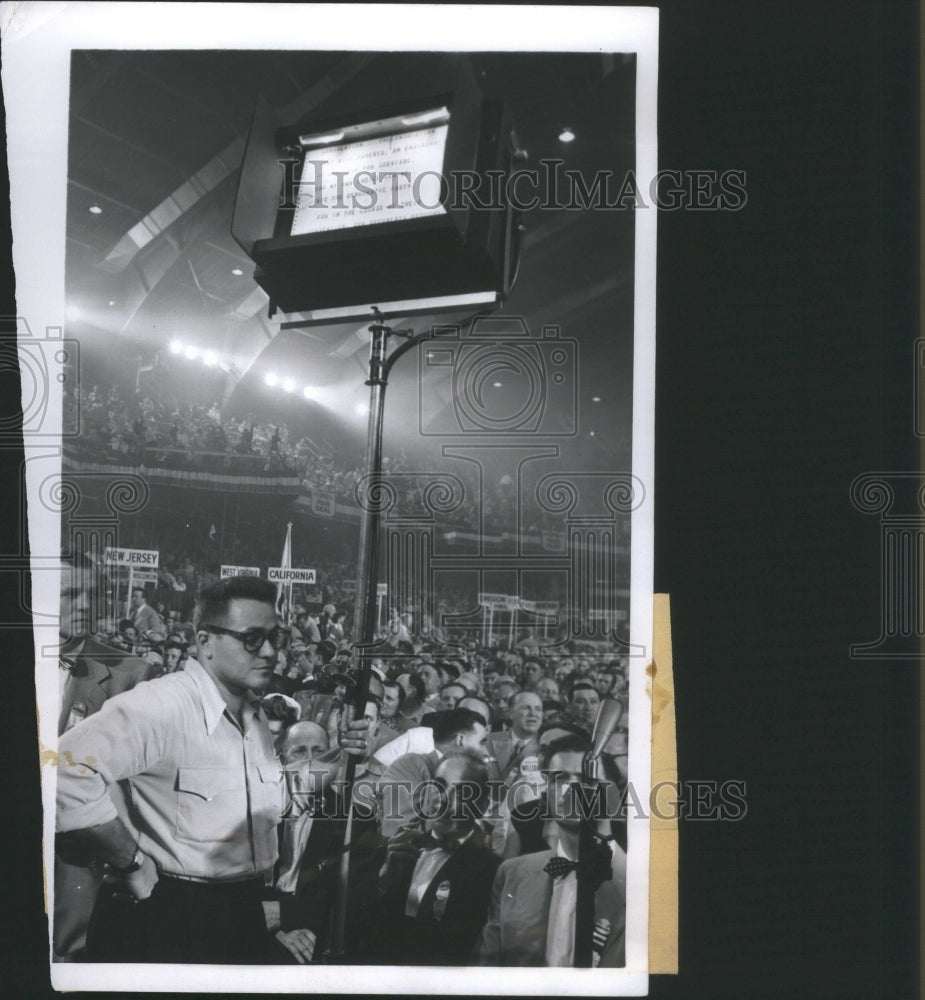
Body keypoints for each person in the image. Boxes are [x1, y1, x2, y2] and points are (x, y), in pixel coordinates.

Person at [56, 574, 369, 964]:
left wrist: (339, 755)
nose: (270, 651)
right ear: (205, 642)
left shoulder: (252, 713)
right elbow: (63, 769)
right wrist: (130, 860)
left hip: (239, 911)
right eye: (252, 638)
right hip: (167, 915)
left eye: (277, 638)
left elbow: (276, 798)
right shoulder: (163, 704)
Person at [54, 553, 155, 962]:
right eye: (70, 593)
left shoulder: (129, 672)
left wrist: (131, 859)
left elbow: (130, 785)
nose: (83, 605)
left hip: (79, 860)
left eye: (91, 594)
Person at [472, 733, 626, 967]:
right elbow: (486, 965)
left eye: (587, 779)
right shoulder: (513, 872)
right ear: (547, 791)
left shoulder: (639, 879)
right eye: (560, 778)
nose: (571, 788)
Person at [367, 750, 502, 965]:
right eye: (439, 785)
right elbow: (365, 924)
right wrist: (386, 878)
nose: (444, 798)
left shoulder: (492, 869)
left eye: (461, 792)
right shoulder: (398, 847)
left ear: (482, 807)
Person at [378, 708, 489, 838]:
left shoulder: (473, 777)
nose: (486, 752)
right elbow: (398, 833)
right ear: (460, 740)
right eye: (482, 742)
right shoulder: (408, 766)